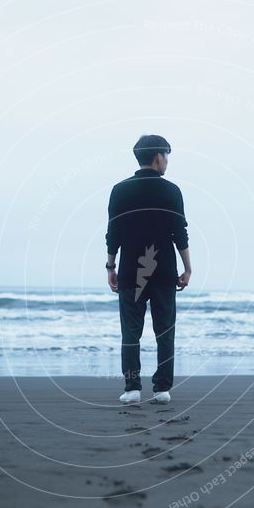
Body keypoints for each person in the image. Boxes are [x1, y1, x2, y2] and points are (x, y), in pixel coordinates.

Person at [105, 134, 192, 405]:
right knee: (165, 331)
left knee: (130, 332)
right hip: (164, 271)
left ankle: (132, 388)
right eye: (166, 155)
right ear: (157, 157)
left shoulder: (119, 190)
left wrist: (111, 266)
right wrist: (188, 268)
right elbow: (181, 233)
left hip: (131, 271)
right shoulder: (172, 190)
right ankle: (162, 389)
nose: (167, 161)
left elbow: (113, 233)